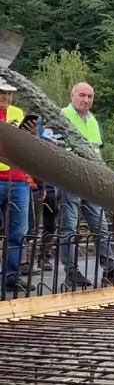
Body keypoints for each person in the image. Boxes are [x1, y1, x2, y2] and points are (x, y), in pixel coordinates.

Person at [58, 82, 114, 287]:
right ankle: (72, 272)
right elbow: (52, 148)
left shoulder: (92, 120)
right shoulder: (61, 115)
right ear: (72, 95)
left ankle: (109, 269)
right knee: (69, 228)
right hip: (69, 180)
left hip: (91, 181)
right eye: (82, 95)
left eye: (90, 96)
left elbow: (96, 151)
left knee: (101, 226)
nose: (86, 100)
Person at [0, 77, 34, 294]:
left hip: (18, 178)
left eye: (9, 93)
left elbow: (29, 147)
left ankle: (11, 276)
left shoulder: (18, 113)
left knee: (18, 230)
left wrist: (28, 134)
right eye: (2, 93)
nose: (6, 97)